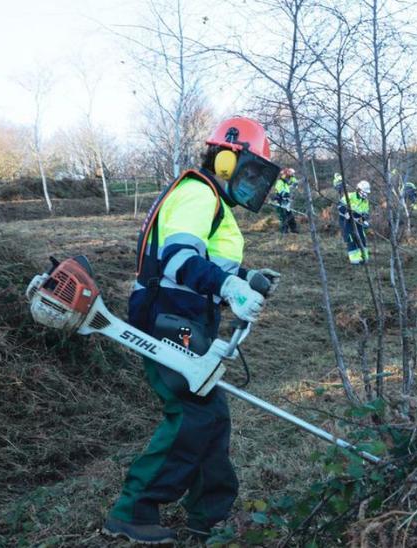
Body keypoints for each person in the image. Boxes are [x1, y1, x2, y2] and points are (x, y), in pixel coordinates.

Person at [104, 116, 284, 544]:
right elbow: (178, 259)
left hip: (185, 314)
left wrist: (243, 276)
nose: (253, 182)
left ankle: (210, 514)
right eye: (251, 170)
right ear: (226, 160)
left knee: (211, 416)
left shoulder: (210, 202)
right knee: (192, 413)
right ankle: (132, 510)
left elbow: (205, 261)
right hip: (169, 315)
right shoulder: (198, 194)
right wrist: (228, 287)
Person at [338, 180, 372, 265]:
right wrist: (346, 213)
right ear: (359, 190)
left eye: (366, 193)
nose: (365, 194)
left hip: (358, 222)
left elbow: (365, 214)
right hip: (346, 221)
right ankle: (355, 261)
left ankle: (364, 258)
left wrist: (364, 221)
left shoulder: (365, 201)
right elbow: (340, 207)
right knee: (351, 239)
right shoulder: (349, 196)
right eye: (364, 192)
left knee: (362, 238)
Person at [271, 168, 299, 234]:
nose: (288, 179)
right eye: (286, 176)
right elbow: (280, 192)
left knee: (290, 215)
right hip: (280, 202)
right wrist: (286, 195)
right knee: (283, 217)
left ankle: (294, 229)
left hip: (286, 202)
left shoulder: (286, 183)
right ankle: (284, 232)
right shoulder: (280, 182)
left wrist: (292, 176)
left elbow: (295, 182)